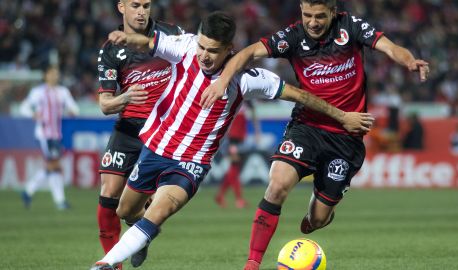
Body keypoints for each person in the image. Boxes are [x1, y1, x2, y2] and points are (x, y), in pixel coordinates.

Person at [90, 11, 374, 270]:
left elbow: (300, 95)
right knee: (126, 210)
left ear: (229, 50)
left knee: (160, 210)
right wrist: (128, 37)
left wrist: (341, 115)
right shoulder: (185, 46)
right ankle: (144, 235)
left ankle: (104, 263)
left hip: (191, 162)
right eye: (202, 46)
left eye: (213, 51)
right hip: (155, 148)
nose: (203, 55)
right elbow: (149, 43)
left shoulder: (248, 78)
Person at [200, 1, 430, 269]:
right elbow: (249, 52)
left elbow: (389, 47)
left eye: (320, 16)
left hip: (346, 136)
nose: (312, 22)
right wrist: (223, 80)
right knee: (276, 185)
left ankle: (319, 215)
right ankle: (252, 263)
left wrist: (409, 61)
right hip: (306, 126)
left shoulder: (350, 27)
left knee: (317, 220)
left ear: (332, 12)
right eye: (307, 15)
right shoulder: (293, 37)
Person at [95, 0, 183, 268]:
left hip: (162, 130)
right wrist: (126, 97)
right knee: (108, 198)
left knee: (145, 200)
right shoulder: (111, 50)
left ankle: (140, 231)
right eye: (135, 5)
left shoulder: (171, 34)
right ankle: (115, 263)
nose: (142, 11)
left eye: (146, 5)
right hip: (128, 129)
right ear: (121, 7)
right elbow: (105, 105)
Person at [20, 65, 79, 210]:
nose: (55, 76)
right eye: (52, 73)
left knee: (54, 167)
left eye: (57, 74)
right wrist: (33, 114)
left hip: (57, 134)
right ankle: (39, 193)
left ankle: (36, 193)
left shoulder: (62, 92)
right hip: (44, 134)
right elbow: (24, 108)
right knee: (54, 165)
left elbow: (74, 108)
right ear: (46, 75)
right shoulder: (38, 92)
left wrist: (71, 111)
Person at [215, 101, 260, 209]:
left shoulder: (247, 99)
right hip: (231, 138)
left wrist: (257, 131)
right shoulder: (232, 97)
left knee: (234, 167)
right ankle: (238, 199)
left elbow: (253, 111)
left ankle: (220, 196)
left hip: (239, 137)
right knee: (235, 166)